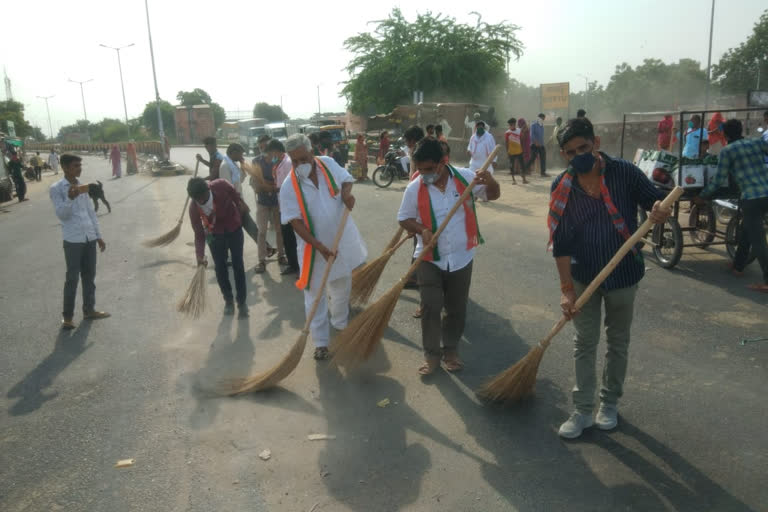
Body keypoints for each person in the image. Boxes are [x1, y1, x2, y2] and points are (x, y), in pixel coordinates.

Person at [550, 117, 670, 439]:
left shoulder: (625, 173)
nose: (579, 156)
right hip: (583, 277)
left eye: (584, 148)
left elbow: (654, 202)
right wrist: (566, 291)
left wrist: (660, 210)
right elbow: (560, 244)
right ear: (564, 154)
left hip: (623, 276)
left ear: (597, 143)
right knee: (584, 343)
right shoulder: (563, 185)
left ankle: (609, 403)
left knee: (617, 342)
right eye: (571, 152)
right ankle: (582, 409)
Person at [398, 137, 500, 375]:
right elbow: (403, 218)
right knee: (431, 306)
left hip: (462, 256)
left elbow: (492, 195)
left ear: (443, 162)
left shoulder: (466, 177)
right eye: (420, 170)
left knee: (456, 308)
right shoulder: (415, 188)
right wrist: (421, 230)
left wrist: (491, 181)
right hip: (429, 258)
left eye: (429, 169)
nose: (425, 174)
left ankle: (451, 350)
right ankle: (431, 355)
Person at [280, 134, 367, 360]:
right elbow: (294, 222)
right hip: (313, 249)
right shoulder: (289, 186)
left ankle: (340, 325)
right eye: (294, 161)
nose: (300, 165)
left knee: (341, 284)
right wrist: (318, 245)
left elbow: (346, 179)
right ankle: (320, 342)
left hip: (341, 241)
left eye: (303, 158)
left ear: (312, 151)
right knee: (315, 295)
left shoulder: (327, 164)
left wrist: (347, 194)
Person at [696, 119, 768, 293]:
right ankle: (738, 266)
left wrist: (702, 195)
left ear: (724, 134)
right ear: (741, 130)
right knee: (746, 230)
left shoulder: (727, 151)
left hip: (752, 197)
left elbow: (719, 180)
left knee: (758, 240)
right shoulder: (756, 142)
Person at [50, 154, 110, 329]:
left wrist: (98, 235)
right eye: (76, 165)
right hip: (73, 239)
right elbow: (61, 215)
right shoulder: (57, 188)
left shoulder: (83, 186)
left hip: (89, 238)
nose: (79, 168)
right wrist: (70, 198)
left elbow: (91, 212)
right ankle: (67, 317)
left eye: (80, 165)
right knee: (72, 279)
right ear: (65, 167)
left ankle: (89, 310)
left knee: (89, 276)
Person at [187, 177, 249, 317]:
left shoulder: (221, 185)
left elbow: (235, 195)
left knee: (238, 264)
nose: (200, 201)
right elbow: (199, 235)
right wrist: (200, 255)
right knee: (220, 268)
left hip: (234, 228)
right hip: (214, 234)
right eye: (196, 199)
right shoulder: (194, 208)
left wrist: (239, 209)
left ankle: (242, 302)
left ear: (208, 189)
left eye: (202, 198)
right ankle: (228, 301)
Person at [218, 143, 265, 251]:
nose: (241, 156)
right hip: (234, 204)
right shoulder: (225, 166)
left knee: (251, 227)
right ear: (233, 152)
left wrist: (243, 164)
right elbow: (228, 189)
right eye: (240, 154)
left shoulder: (233, 165)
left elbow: (240, 180)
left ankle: (266, 248)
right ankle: (266, 248)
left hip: (238, 201)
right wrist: (240, 203)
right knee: (249, 228)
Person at [249, 137, 286, 274]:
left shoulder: (279, 161)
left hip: (277, 201)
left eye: (265, 146)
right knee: (262, 231)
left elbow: (281, 183)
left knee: (279, 230)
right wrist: (269, 186)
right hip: (262, 202)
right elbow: (256, 184)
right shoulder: (255, 161)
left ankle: (282, 255)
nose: (264, 150)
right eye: (261, 147)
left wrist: (268, 185)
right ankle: (261, 260)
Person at [504, 117, 527, 184]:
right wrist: (507, 151)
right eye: (510, 125)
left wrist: (523, 149)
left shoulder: (519, 131)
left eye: (512, 124)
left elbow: (522, 140)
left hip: (519, 151)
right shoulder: (507, 133)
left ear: (514, 124)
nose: (511, 126)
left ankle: (524, 179)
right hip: (511, 152)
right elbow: (506, 143)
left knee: (522, 165)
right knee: (511, 166)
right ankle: (513, 180)